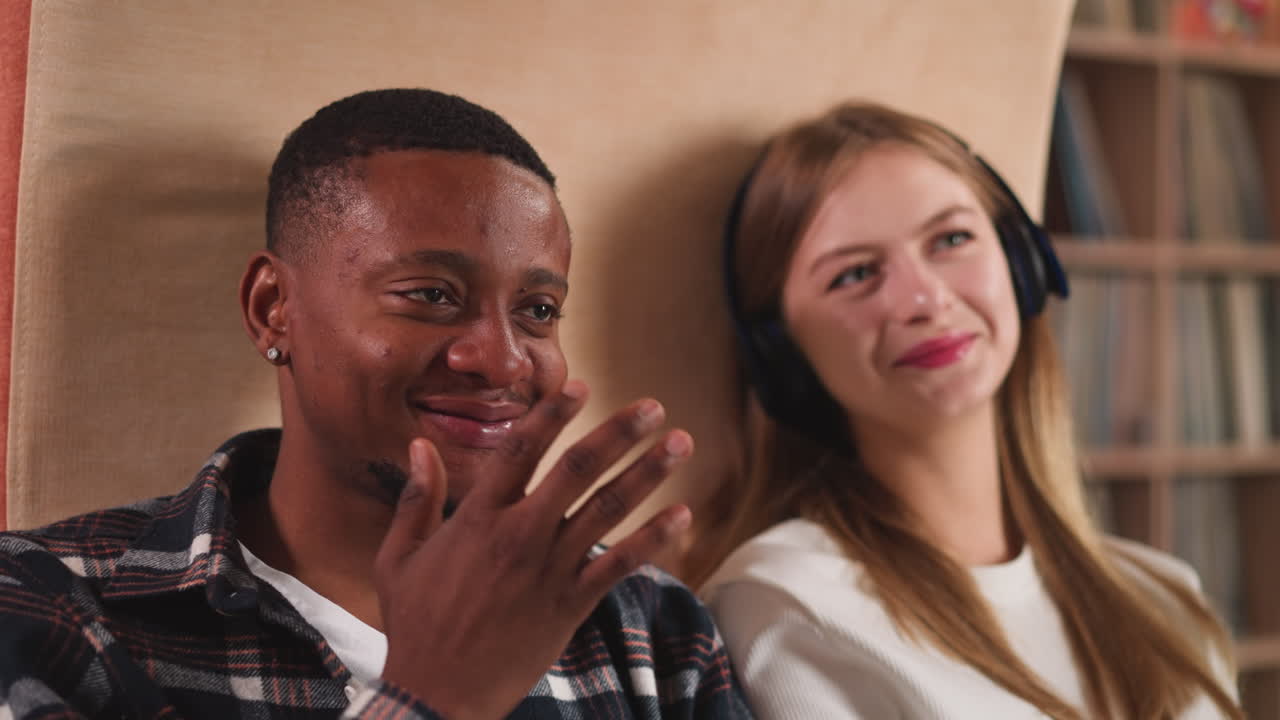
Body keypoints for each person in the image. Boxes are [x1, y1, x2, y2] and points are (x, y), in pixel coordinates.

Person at [0, 88, 752, 720]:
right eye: (430, 294)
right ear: (272, 309)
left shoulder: (648, 627)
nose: (502, 361)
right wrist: (432, 699)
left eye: (538, 310)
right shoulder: (48, 604)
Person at [698, 100, 1242, 719]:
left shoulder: (1166, 595)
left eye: (952, 239)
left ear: (1021, 264)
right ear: (780, 352)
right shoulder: (784, 604)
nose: (925, 299)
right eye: (855, 274)